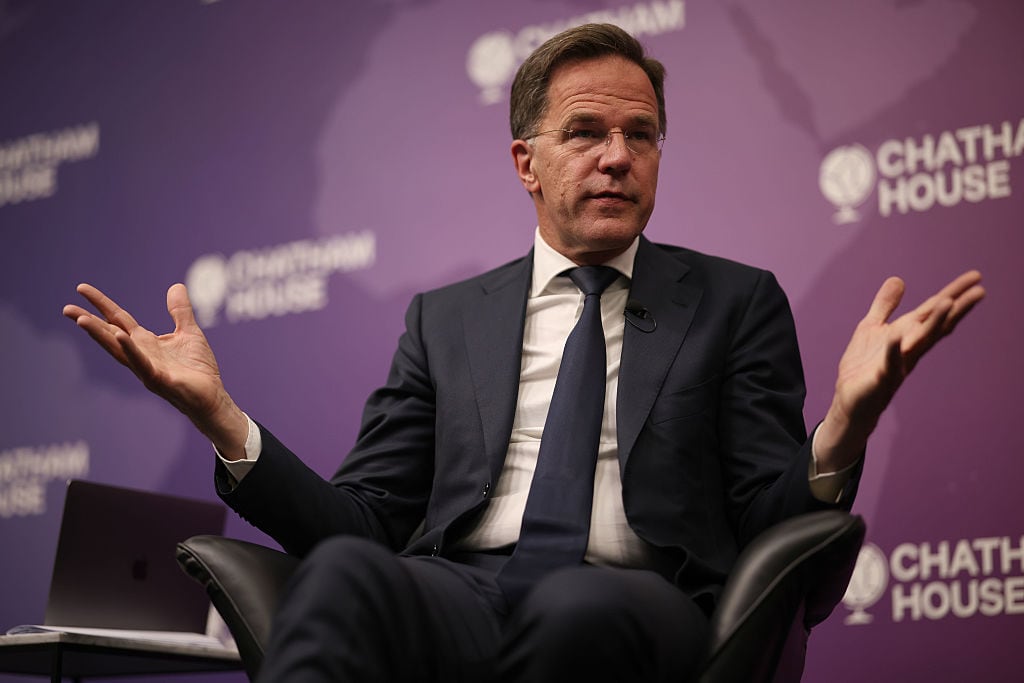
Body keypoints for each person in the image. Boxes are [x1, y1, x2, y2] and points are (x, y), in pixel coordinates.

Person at [63, 23, 984, 683]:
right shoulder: (447, 320)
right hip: (461, 589)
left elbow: (768, 525)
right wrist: (222, 418)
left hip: (641, 596)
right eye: (586, 132)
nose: (617, 156)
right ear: (525, 162)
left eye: (640, 135)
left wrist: (843, 427)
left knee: (574, 609)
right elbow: (362, 521)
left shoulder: (733, 302)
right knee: (342, 577)